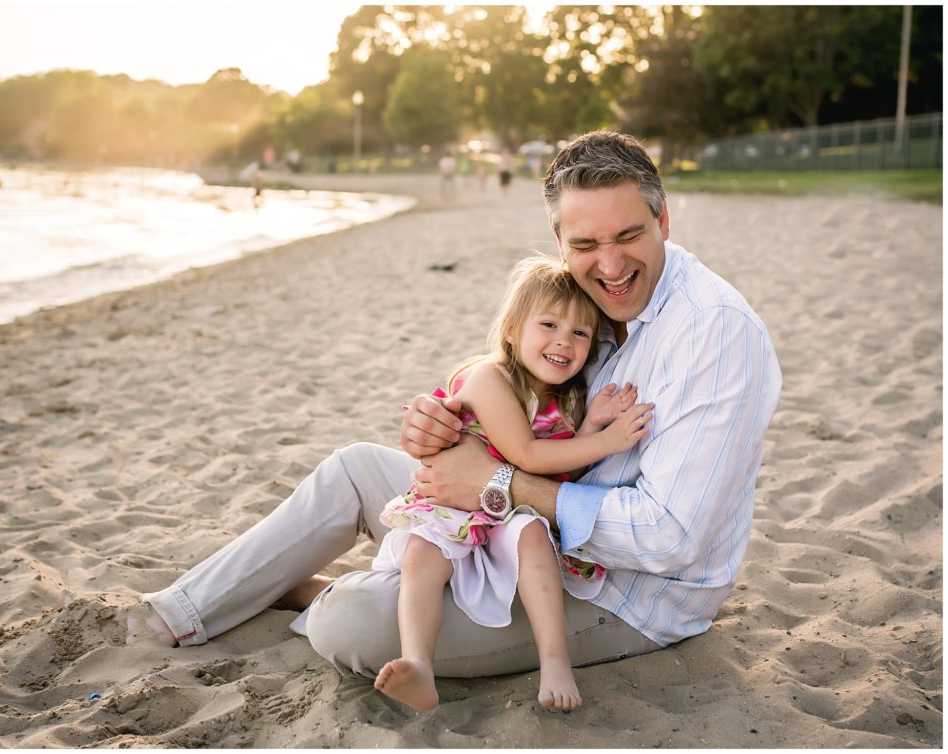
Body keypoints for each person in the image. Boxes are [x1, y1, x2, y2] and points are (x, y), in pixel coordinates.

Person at [126, 130, 781, 699]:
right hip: (521, 528)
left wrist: (498, 486)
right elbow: (520, 391)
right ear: (560, 242)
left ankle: (314, 591)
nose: (610, 265)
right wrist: (446, 423)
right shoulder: (595, 306)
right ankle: (180, 612)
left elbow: (672, 538)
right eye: (586, 244)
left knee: (349, 625)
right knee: (357, 469)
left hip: (619, 596)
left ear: (665, 221)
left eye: (631, 235)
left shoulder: (714, 335)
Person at [371, 256, 653, 711]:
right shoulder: (487, 378)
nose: (564, 340)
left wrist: (587, 428)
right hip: (455, 504)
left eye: (580, 332)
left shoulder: (566, 400)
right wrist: (608, 442)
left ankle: (555, 661)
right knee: (422, 557)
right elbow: (526, 456)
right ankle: (418, 663)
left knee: (535, 538)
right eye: (548, 324)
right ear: (511, 330)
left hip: (508, 512)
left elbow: (554, 477)